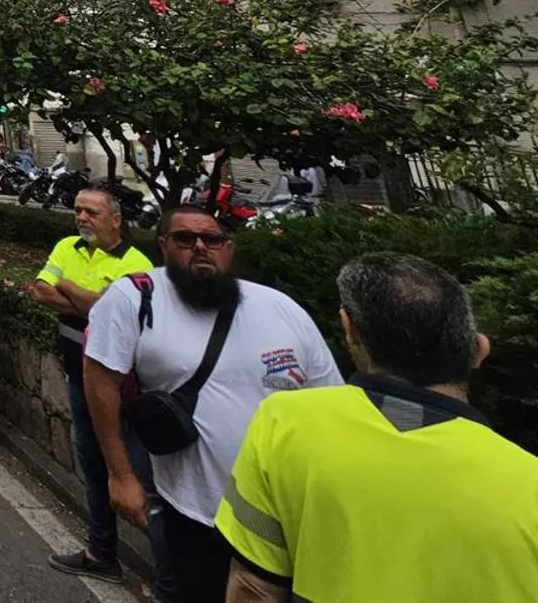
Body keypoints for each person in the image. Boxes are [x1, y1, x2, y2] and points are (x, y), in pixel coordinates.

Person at [216, 253, 538, 603]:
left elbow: (253, 589)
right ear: (479, 349)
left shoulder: (284, 423)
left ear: (349, 329)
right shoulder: (528, 481)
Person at [85, 205, 341, 603]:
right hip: (197, 513)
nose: (201, 247)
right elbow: (101, 383)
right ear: (164, 246)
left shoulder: (280, 308)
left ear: (229, 247)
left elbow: (330, 401)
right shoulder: (134, 297)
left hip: (290, 518)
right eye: (186, 239)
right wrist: (120, 475)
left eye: (213, 239)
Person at [31, 186, 156, 585]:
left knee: (140, 475)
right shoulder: (67, 246)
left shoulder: (137, 263)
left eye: (91, 212)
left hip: (125, 389)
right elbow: (39, 291)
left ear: (116, 219)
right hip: (78, 378)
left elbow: (109, 308)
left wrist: (67, 289)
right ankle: (102, 552)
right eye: (77, 210)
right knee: (91, 465)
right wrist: (90, 301)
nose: (81, 218)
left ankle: (168, 565)